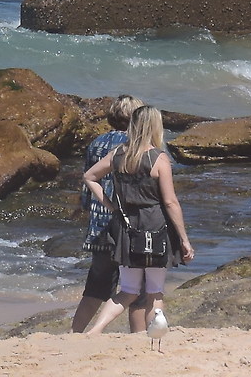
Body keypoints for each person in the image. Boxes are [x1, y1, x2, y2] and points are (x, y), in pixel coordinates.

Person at [79, 106, 193, 336]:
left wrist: (110, 205)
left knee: (128, 290)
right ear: (154, 126)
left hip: (125, 227)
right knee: (154, 292)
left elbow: (89, 177)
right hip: (155, 228)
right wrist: (184, 239)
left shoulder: (119, 154)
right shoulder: (159, 158)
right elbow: (170, 202)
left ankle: (95, 331)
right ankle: (150, 337)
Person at [72, 97, 142, 333]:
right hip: (128, 223)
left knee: (96, 287)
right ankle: (138, 336)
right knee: (137, 287)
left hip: (99, 222)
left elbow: (87, 184)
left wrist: (88, 208)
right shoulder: (136, 144)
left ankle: (76, 332)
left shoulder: (96, 143)